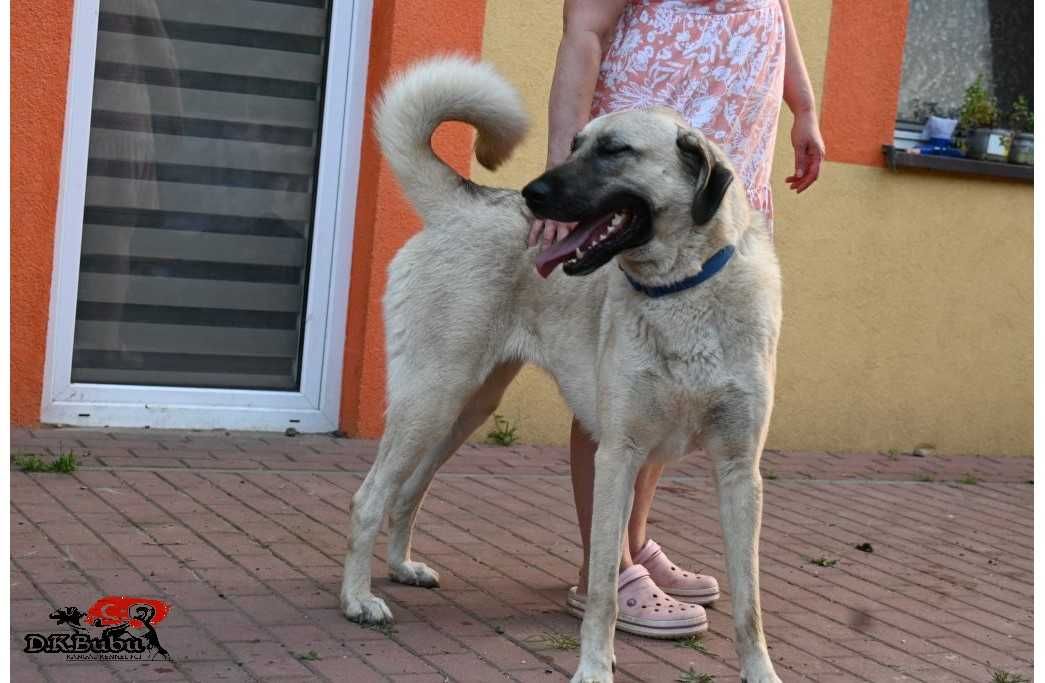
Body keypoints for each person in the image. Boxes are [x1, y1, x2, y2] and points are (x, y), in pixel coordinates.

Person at [529, 0, 825, 637]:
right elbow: (584, 31)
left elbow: (776, 12)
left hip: (721, 166)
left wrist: (802, 105)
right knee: (622, 377)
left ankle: (634, 542)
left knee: (682, 359)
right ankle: (601, 571)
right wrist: (562, 171)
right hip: (643, 159)